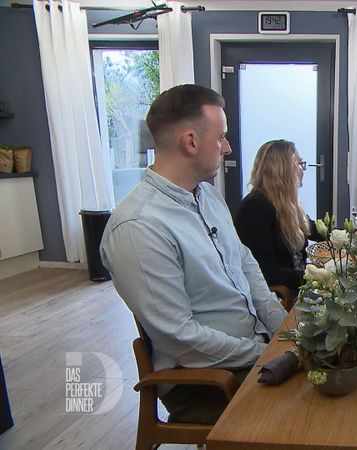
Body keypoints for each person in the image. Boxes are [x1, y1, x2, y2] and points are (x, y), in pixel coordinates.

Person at [100, 84, 288, 425]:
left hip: (251, 349)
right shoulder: (138, 225)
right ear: (191, 141)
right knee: (321, 408)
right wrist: (265, 353)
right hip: (208, 379)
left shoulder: (208, 196)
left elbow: (244, 261)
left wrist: (282, 328)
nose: (227, 148)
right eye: (221, 138)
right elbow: (181, 338)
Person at [234, 139, 357, 291]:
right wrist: (320, 276)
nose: (303, 169)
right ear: (283, 170)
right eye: (300, 164)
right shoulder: (253, 209)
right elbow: (268, 272)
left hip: (300, 283)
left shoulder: (287, 204)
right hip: (282, 294)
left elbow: (317, 231)